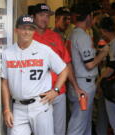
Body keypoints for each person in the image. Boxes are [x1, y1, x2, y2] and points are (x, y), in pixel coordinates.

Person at [1, 15, 68, 135]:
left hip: (40, 106)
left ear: (34, 31)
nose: (27, 32)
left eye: (30, 29)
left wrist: (56, 90)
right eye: (23, 28)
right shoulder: (8, 53)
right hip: (18, 108)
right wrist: (6, 110)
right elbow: (4, 83)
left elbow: (64, 70)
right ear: (16, 30)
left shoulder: (44, 50)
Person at [31, 3, 86, 135]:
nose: (45, 19)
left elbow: (67, 64)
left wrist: (76, 87)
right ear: (33, 17)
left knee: (59, 131)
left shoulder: (56, 37)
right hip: (39, 95)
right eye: (41, 15)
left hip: (58, 92)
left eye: (47, 16)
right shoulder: (28, 36)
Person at [66, 3, 109, 135]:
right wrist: (103, 53)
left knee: (84, 125)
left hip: (77, 82)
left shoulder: (73, 34)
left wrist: (95, 51)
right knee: (78, 125)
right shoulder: (82, 35)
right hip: (83, 84)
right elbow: (89, 64)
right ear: (89, 17)